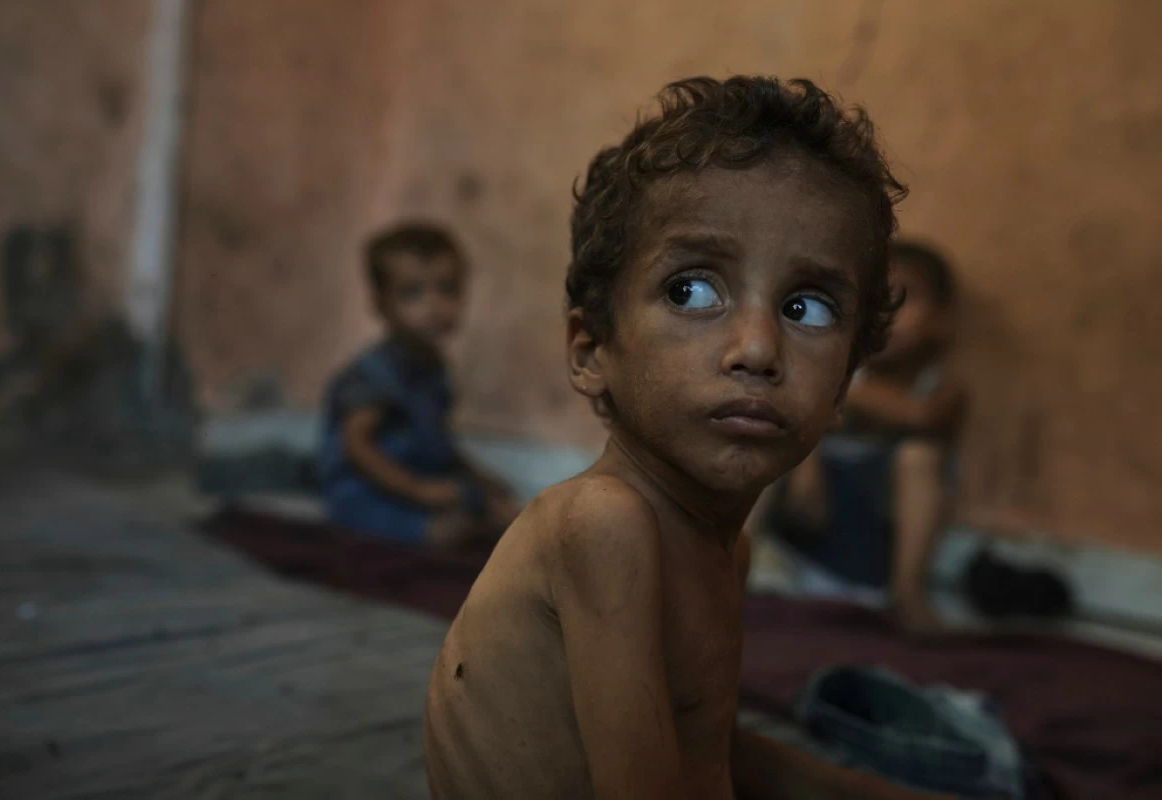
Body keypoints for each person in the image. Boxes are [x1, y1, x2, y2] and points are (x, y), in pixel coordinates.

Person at [423, 76, 947, 799]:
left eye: (808, 307)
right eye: (692, 291)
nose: (758, 348)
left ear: (842, 390)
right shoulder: (602, 524)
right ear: (589, 351)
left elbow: (702, 753)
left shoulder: (725, 548)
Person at [765, 241, 965, 634]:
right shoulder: (838, 373)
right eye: (873, 301)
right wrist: (808, 461)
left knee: (919, 456)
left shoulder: (941, 391)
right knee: (775, 429)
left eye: (902, 300)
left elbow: (921, 416)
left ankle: (910, 595)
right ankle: (738, 560)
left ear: (940, 320)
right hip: (804, 539)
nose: (884, 315)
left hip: (872, 557)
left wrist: (834, 395)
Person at [318, 222, 517, 547]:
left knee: (497, 507)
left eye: (448, 288)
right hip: (368, 491)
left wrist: (477, 474)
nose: (434, 305)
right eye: (413, 293)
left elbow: (436, 440)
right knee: (447, 531)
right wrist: (420, 490)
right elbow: (357, 446)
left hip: (419, 479)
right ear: (381, 305)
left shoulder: (434, 369)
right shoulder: (372, 374)